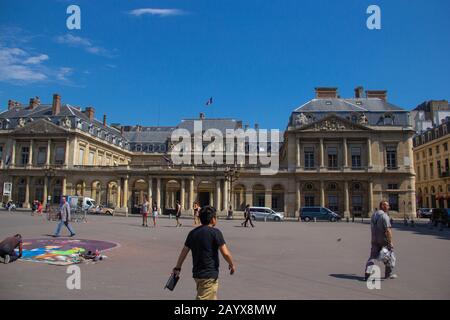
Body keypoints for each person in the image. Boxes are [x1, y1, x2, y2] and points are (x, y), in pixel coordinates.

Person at [172, 206, 236, 300]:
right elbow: (225, 253)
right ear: (213, 219)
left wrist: (178, 267)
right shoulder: (215, 233)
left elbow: (184, 251)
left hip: (197, 274)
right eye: (216, 217)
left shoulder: (193, 233)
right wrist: (232, 264)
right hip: (209, 275)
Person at [364, 201, 397, 280]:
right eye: (387, 205)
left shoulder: (374, 215)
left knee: (372, 257)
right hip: (383, 240)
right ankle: (388, 274)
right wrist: (390, 242)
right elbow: (388, 230)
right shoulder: (384, 216)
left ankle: (367, 273)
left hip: (374, 239)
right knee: (389, 256)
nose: (389, 207)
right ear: (382, 206)